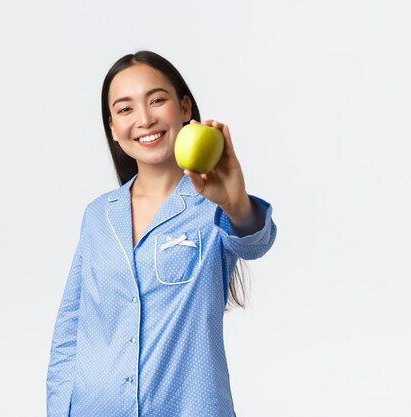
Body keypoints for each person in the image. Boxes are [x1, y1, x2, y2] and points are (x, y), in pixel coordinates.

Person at [46, 50, 277, 417]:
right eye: (125, 109)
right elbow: (70, 331)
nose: (144, 119)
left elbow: (254, 241)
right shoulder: (98, 216)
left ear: (184, 108)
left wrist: (236, 205)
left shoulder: (213, 207)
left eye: (156, 100)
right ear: (112, 127)